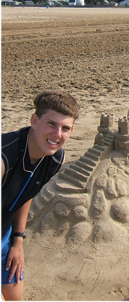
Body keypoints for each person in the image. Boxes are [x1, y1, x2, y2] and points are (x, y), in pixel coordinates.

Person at [0, 90, 79, 302]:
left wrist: (17, 241)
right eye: (51, 124)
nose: (57, 135)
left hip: (4, 235)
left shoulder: (53, 158)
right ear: (34, 121)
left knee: (14, 297)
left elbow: (26, 193)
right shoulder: (3, 161)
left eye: (65, 128)